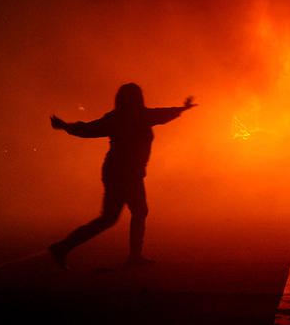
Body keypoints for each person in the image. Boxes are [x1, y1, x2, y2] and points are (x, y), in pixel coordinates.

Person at [48, 83, 197, 269]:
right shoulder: (135, 116)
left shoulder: (126, 116)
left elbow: (90, 129)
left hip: (120, 171)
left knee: (114, 217)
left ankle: (63, 248)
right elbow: (91, 129)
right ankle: (131, 257)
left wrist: (182, 108)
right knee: (128, 213)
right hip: (124, 172)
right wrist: (182, 109)